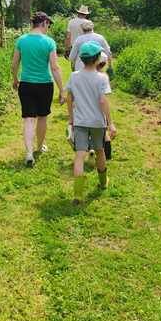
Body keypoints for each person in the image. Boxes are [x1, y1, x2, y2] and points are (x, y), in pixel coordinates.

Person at [12, 12, 66, 167]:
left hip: (26, 84)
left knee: (28, 119)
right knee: (42, 117)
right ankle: (39, 146)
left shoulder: (21, 40)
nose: (48, 27)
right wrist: (62, 90)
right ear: (43, 23)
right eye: (48, 24)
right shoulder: (49, 42)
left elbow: (14, 64)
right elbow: (55, 68)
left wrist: (15, 79)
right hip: (44, 85)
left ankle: (29, 153)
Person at [66, 41, 117, 203]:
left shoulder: (74, 76)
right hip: (97, 122)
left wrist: (71, 119)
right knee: (100, 150)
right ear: (96, 59)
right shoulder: (102, 77)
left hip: (80, 121)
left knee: (80, 155)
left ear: (81, 58)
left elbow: (69, 98)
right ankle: (103, 183)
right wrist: (110, 123)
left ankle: (77, 194)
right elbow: (103, 101)